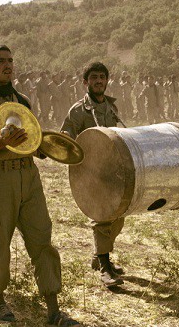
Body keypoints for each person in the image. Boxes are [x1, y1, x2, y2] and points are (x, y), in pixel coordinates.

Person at [0, 44, 79, 326]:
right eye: (1, 61)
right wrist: (0, 143)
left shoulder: (23, 101)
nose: (8, 65)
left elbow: (33, 141)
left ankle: (53, 310)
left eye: (10, 60)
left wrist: (50, 145)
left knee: (42, 240)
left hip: (29, 177)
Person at [60, 62, 125, 288]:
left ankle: (99, 256)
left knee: (118, 216)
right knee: (101, 217)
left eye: (102, 77)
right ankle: (105, 269)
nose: (99, 81)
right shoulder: (78, 110)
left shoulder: (111, 108)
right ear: (85, 82)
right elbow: (66, 134)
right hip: (90, 172)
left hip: (113, 171)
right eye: (94, 77)